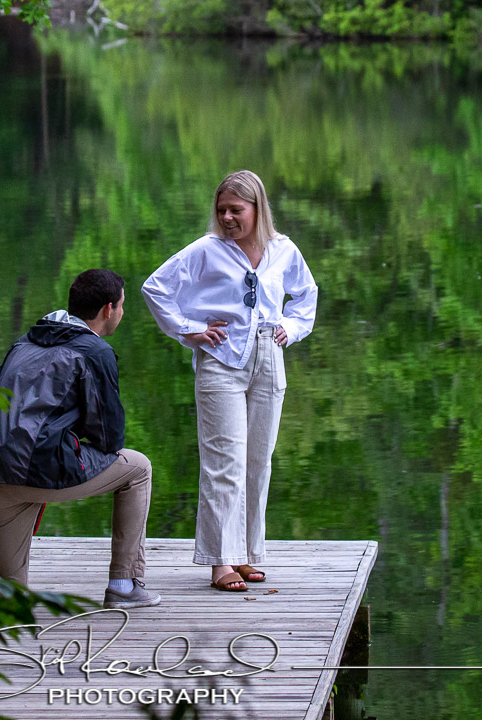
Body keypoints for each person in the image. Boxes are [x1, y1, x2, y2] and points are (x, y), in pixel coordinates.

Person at [142, 170, 318, 592]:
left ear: (258, 209)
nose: (226, 218)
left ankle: (246, 554)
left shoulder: (283, 250)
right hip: (221, 359)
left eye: (235, 210)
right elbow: (155, 288)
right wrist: (190, 330)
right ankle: (220, 561)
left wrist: (291, 329)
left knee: (258, 461)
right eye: (221, 210)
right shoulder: (206, 250)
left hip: (269, 357)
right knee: (224, 462)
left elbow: (306, 295)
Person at [0, 269, 160, 610]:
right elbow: (109, 438)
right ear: (108, 309)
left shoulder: (24, 342)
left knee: (11, 592)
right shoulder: (95, 352)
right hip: (34, 472)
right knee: (138, 468)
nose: (122, 312)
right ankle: (124, 585)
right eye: (123, 305)